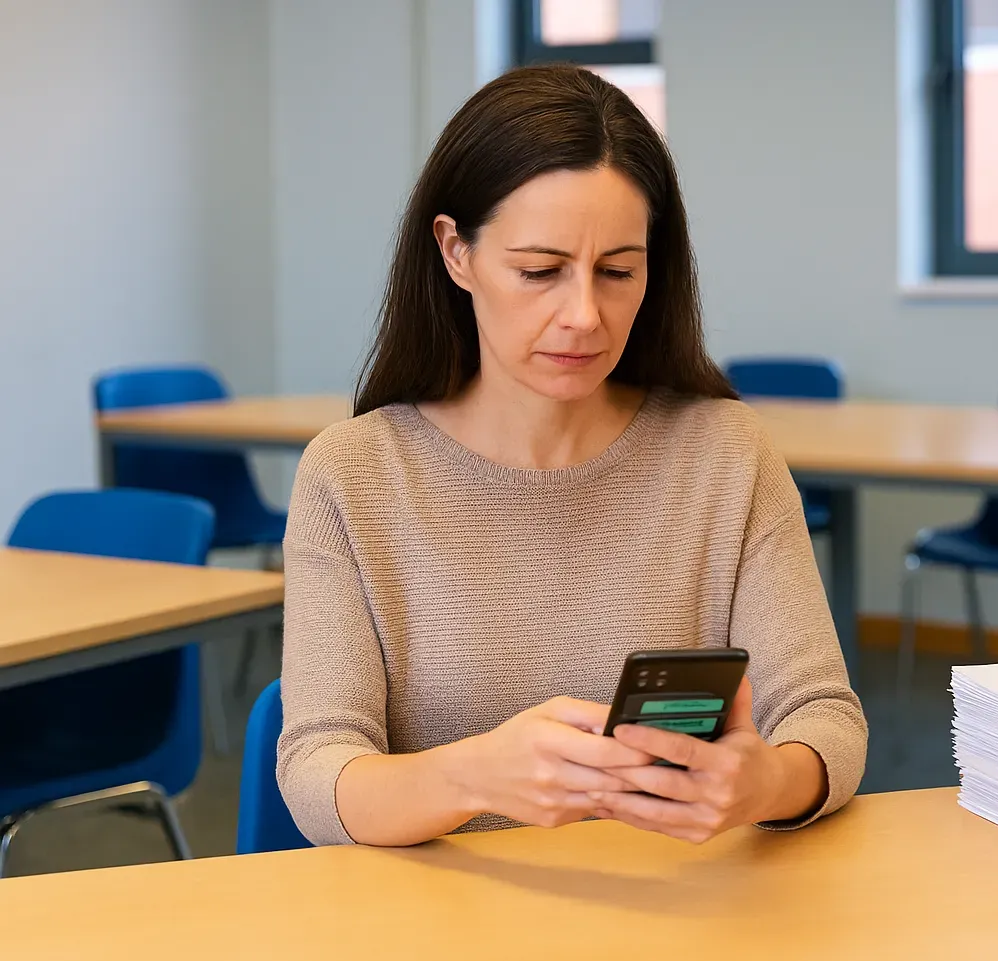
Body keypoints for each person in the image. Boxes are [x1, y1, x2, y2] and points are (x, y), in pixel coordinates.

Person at [277, 65, 867, 847]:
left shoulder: (724, 454)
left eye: (618, 271)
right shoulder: (352, 475)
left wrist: (766, 783)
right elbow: (319, 768)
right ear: (457, 254)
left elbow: (826, 720)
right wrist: (473, 776)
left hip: (678, 921)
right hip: (439, 928)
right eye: (540, 271)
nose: (585, 315)